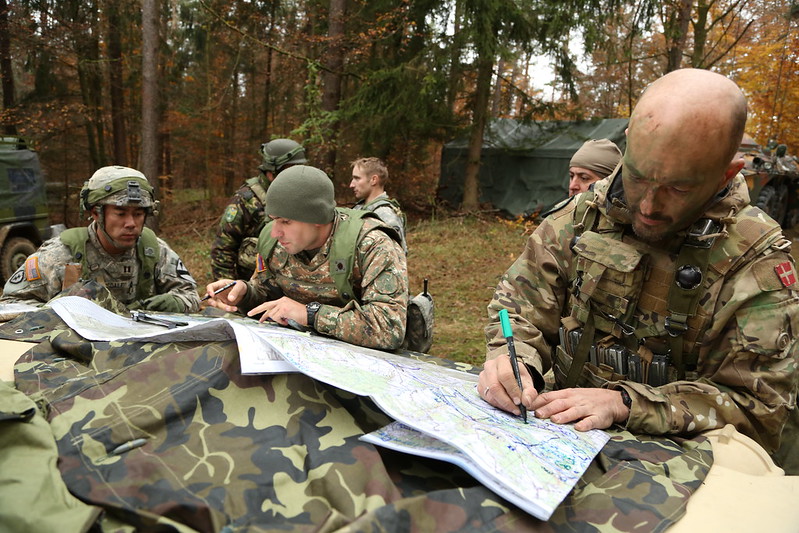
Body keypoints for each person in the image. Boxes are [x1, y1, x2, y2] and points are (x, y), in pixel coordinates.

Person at [478, 68, 799, 470]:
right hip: (551, 446)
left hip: (670, 473)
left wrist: (626, 403)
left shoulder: (755, 262)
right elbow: (520, 303)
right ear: (627, 145)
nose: (648, 206)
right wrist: (515, 359)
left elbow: (757, 408)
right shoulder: (585, 215)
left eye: (678, 189)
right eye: (637, 176)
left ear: (726, 174)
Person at [206, 164, 409, 350]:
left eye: (285, 222)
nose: (275, 232)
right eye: (274, 220)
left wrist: (310, 314)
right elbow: (265, 293)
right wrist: (244, 294)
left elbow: (389, 328)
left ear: (317, 218)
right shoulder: (272, 241)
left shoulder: (373, 244)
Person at [0, 165, 201, 313]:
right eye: (120, 214)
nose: (131, 223)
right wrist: (58, 314)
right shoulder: (60, 255)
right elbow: (10, 305)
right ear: (96, 214)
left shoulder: (153, 250)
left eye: (138, 214)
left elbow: (191, 296)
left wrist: (176, 302)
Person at [211, 138, 307, 280]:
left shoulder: (301, 195)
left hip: (291, 284)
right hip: (254, 287)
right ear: (271, 172)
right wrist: (229, 290)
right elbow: (223, 249)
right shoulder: (246, 200)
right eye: (290, 170)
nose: (296, 175)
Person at [349, 157, 407, 252]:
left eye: (357, 178)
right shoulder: (358, 208)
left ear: (373, 180)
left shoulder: (385, 215)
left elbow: (395, 258)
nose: (351, 184)